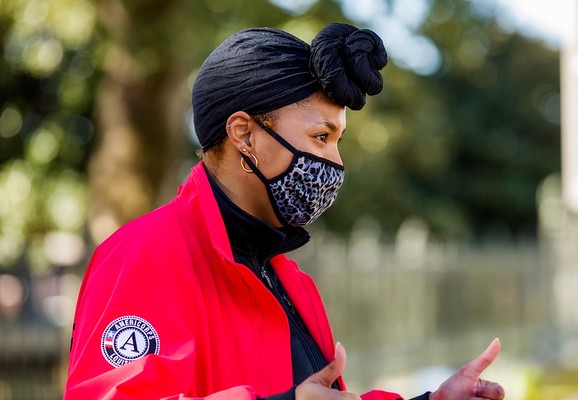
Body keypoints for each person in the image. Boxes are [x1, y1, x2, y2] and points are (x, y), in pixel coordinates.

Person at [64, 23, 505, 400]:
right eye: (320, 137)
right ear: (244, 134)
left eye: (338, 141)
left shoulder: (292, 282)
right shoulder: (143, 256)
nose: (334, 161)